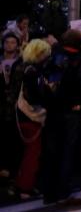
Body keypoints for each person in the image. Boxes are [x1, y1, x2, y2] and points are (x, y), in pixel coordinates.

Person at [41, 29, 81, 205]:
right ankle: (63, 192)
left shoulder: (52, 57)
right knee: (68, 151)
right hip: (71, 110)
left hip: (52, 110)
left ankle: (48, 192)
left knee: (51, 150)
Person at [14, 39, 52, 200]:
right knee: (33, 153)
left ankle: (19, 184)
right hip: (30, 116)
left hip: (18, 114)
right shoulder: (33, 72)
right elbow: (33, 96)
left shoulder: (21, 67)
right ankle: (25, 187)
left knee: (22, 152)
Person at [1, 32, 23, 182]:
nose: (10, 45)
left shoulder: (21, 62)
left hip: (15, 106)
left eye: (13, 42)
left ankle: (12, 170)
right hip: (1, 105)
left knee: (13, 138)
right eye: (7, 42)